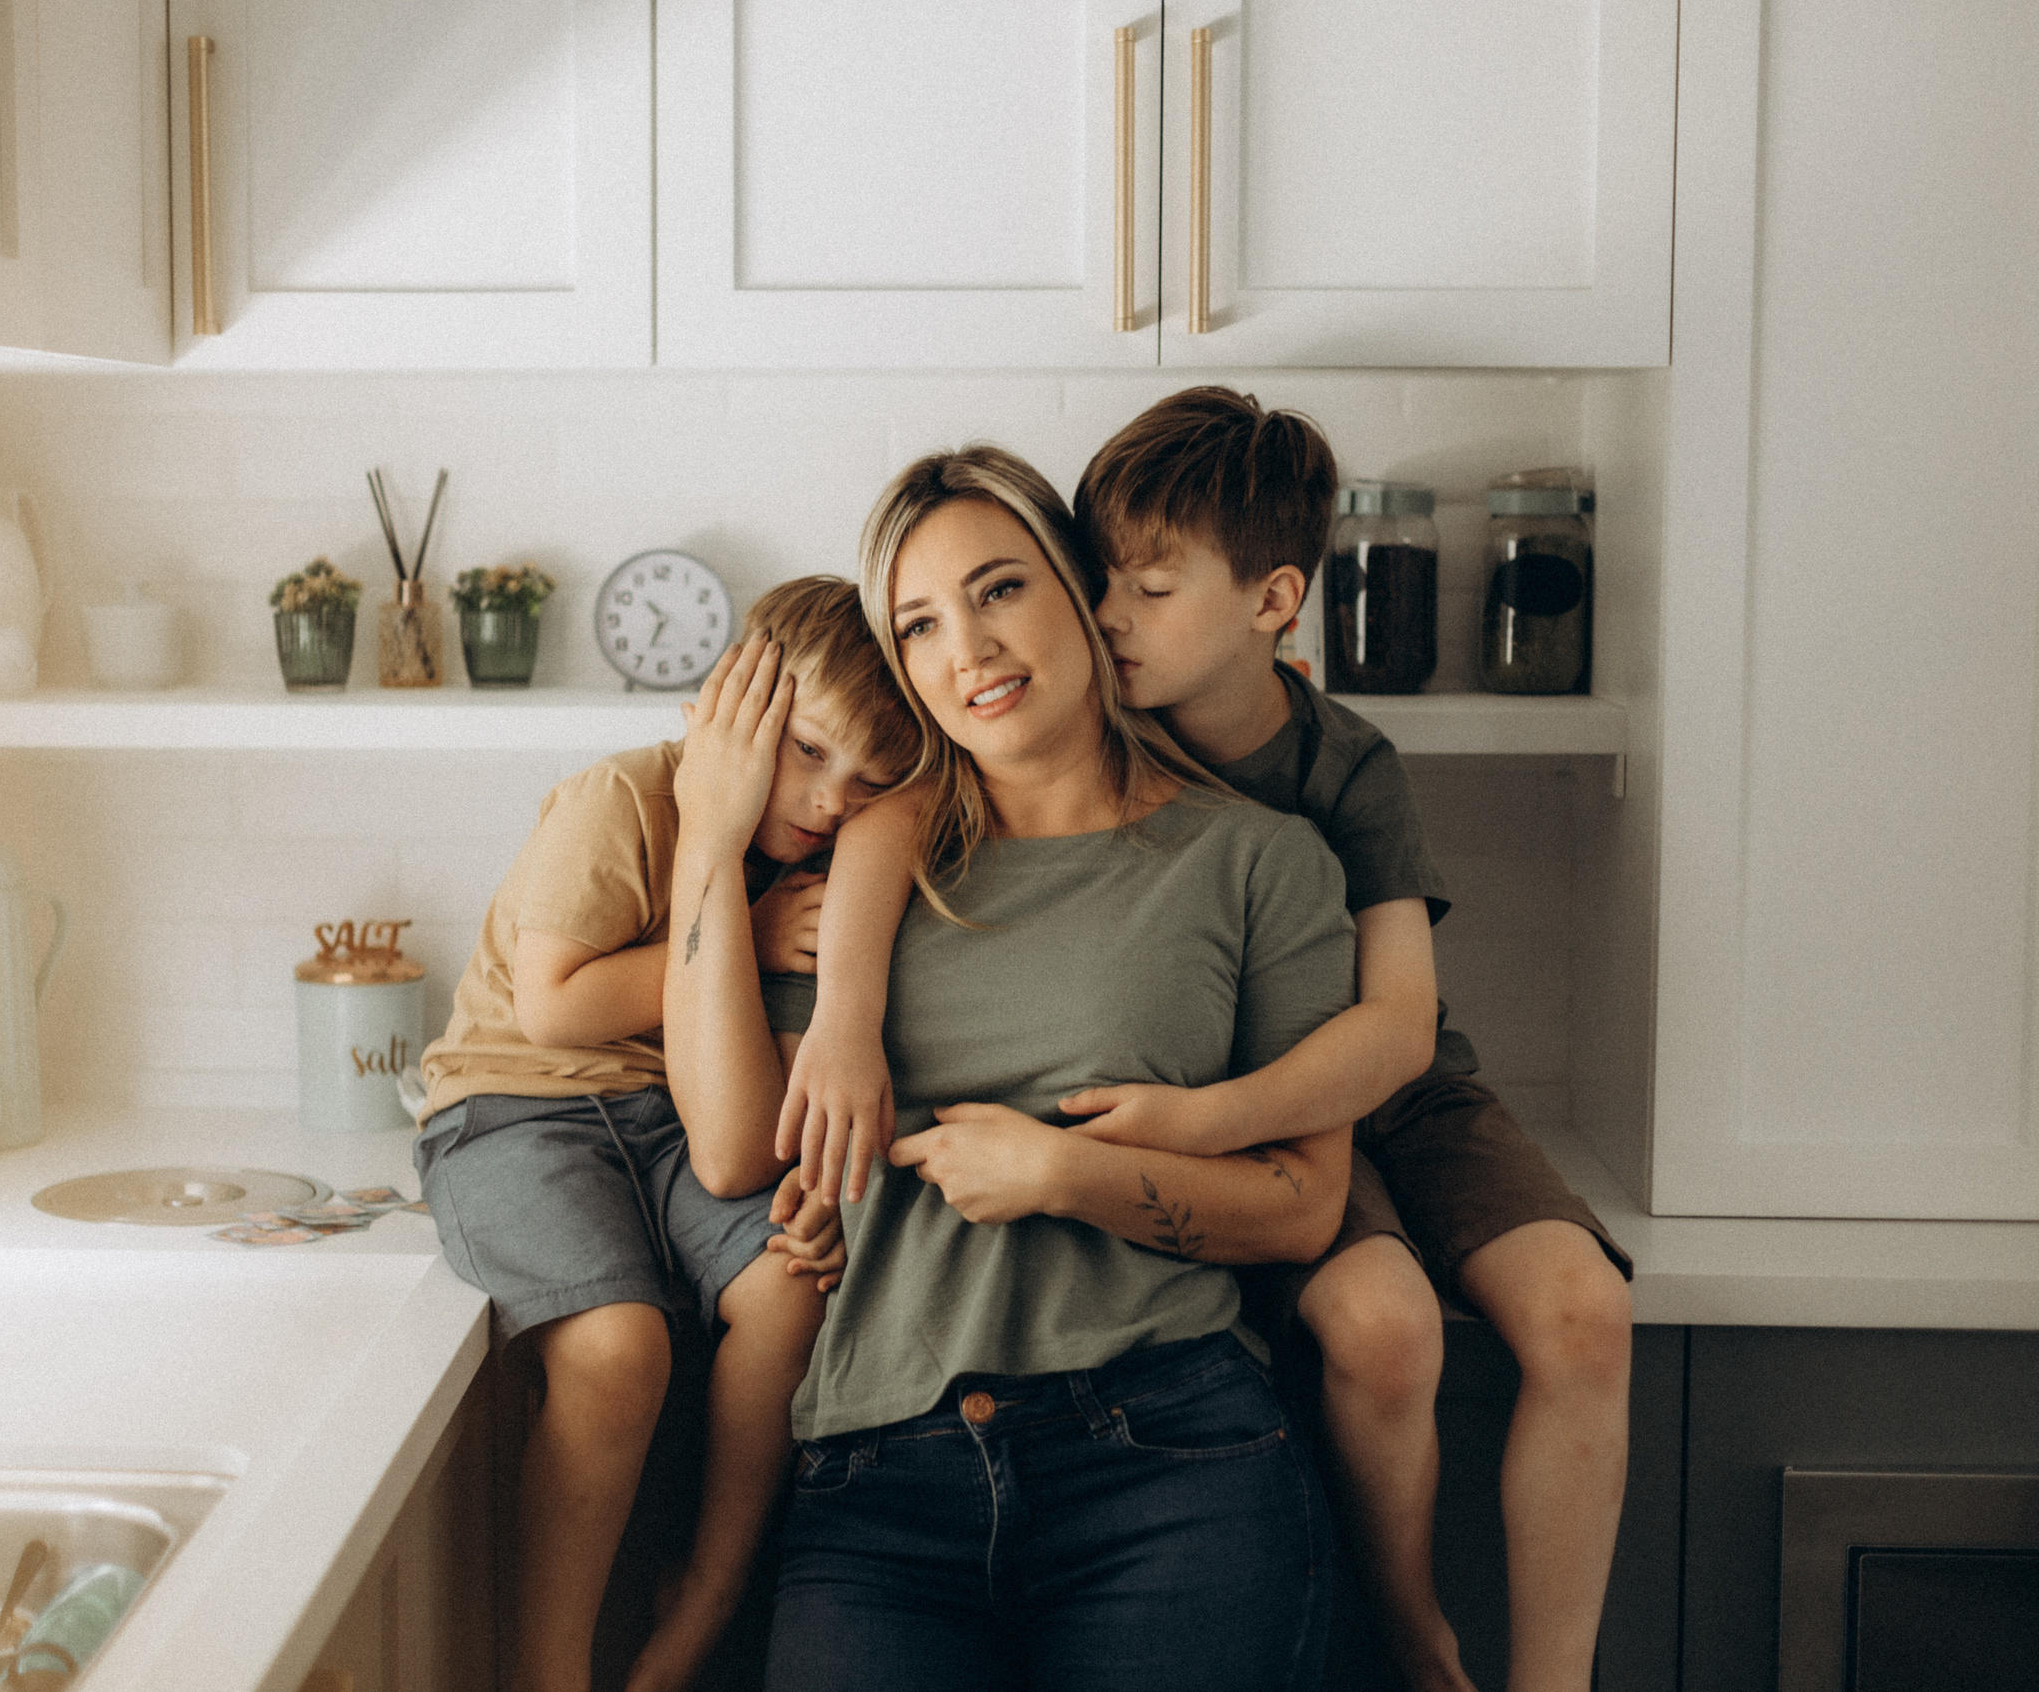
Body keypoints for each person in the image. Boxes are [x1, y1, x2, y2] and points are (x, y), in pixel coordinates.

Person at [764, 445, 1357, 1692]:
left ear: (1081, 591)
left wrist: (1063, 1174)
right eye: (916, 625)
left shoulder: (1260, 863)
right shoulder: (856, 871)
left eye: (997, 590)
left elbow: (1302, 1209)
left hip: (1168, 1458)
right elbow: (737, 1143)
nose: (964, 652)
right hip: (879, 1475)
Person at [1071, 387, 1635, 1692]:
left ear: (1276, 600)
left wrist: (1197, 1123)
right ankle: (1409, 1629)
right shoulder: (1104, 754)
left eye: (1152, 587)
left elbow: (1394, 1027)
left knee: (1585, 1307)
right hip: (1259, 1113)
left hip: (1396, 1090)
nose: (1108, 615)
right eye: (1103, 581)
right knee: (1380, 1323)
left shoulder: (1342, 759)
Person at [412, 577, 917, 1692]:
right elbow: (553, 1005)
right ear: (723, 710)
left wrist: (816, 1191)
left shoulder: (812, 861)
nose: (832, 800)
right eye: (808, 751)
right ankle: (546, 1672)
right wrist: (744, 923)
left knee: (790, 1288)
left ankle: (710, 1581)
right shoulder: (624, 800)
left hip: (669, 1125)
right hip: (514, 1108)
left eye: (866, 780)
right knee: (619, 1348)